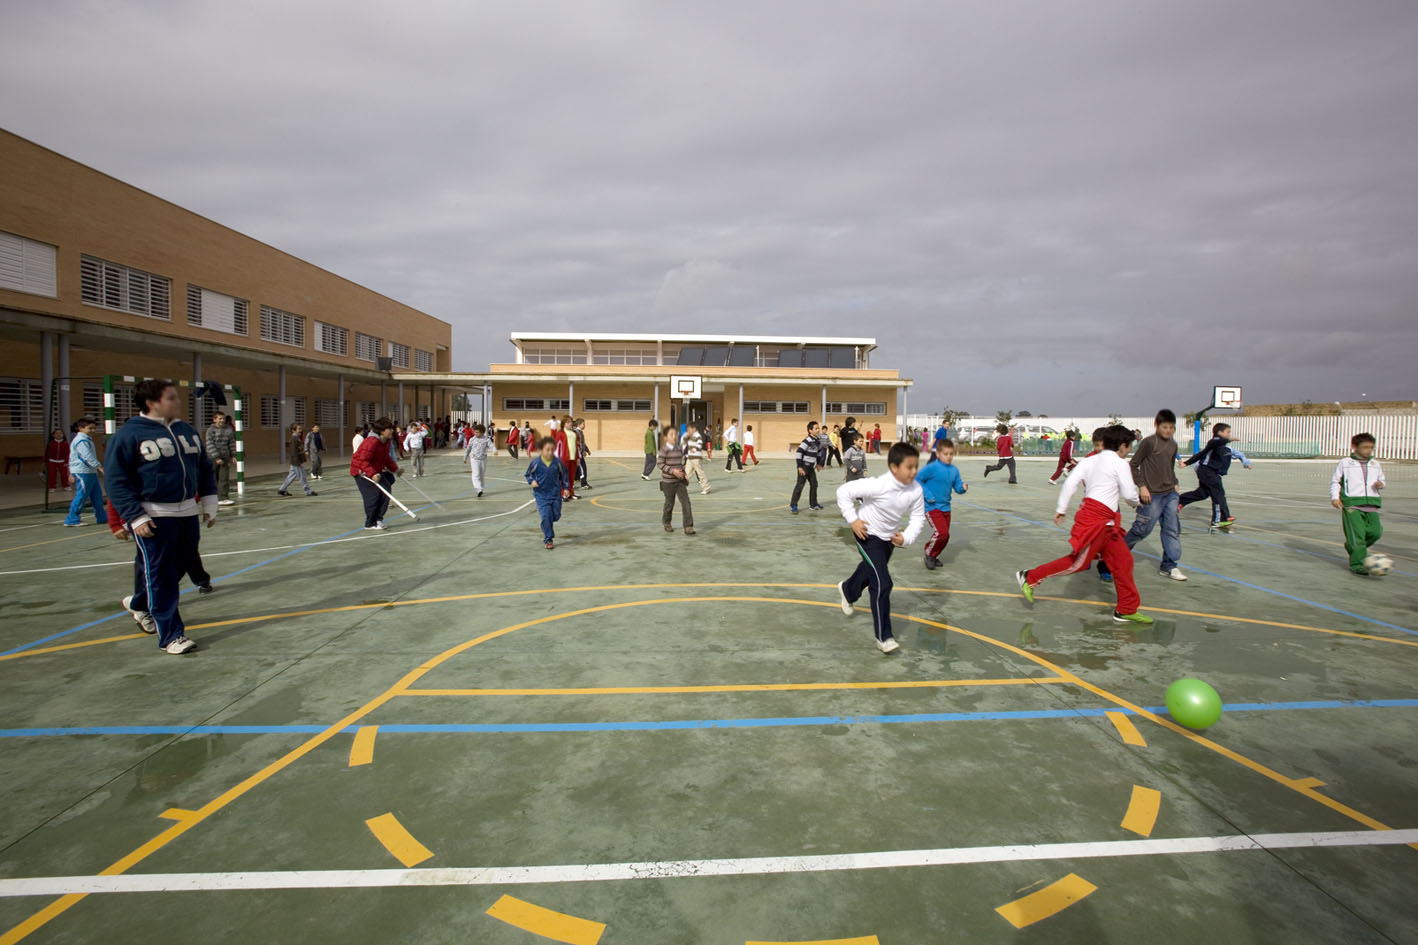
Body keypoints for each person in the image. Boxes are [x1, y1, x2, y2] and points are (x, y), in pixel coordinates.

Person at [105, 378, 217, 654]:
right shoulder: (129, 435)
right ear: (151, 403)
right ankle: (171, 635)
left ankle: (139, 603)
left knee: (184, 563)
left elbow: (203, 467)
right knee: (161, 573)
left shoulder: (186, 430)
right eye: (171, 398)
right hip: (153, 515)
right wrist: (135, 516)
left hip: (187, 512)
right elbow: (116, 480)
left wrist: (209, 500)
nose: (178, 402)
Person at [1015, 425, 1152, 626]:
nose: (1129, 450)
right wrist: (1137, 502)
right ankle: (1030, 576)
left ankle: (1126, 609)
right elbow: (1129, 493)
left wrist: (1062, 508)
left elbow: (1070, 483)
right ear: (1122, 445)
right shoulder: (1120, 463)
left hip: (1106, 523)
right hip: (1097, 521)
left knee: (1124, 562)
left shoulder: (1089, 460)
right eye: (1129, 446)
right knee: (1077, 563)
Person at [835, 440, 926, 654]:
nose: (914, 471)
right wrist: (853, 520)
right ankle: (884, 637)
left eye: (916, 466)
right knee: (882, 583)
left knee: (872, 571)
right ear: (894, 467)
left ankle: (848, 589)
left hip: (889, 539)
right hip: (866, 534)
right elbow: (843, 492)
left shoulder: (915, 490)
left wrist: (907, 537)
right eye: (909, 467)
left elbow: (918, 517)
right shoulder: (878, 485)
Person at [1124, 410, 1185, 581]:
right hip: (1152, 496)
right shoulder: (1149, 443)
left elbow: (1169, 467)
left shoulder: (1173, 445)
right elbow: (1133, 465)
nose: (1168, 431)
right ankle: (1114, 556)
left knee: (1172, 529)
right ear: (1156, 425)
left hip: (1170, 494)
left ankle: (1169, 566)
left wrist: (1175, 483)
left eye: (1171, 428)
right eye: (1165, 427)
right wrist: (1142, 487)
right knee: (1141, 530)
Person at [1331, 432, 1386, 575]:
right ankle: (1357, 565)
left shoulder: (1375, 464)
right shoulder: (1345, 463)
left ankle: (1353, 546)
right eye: (1365, 447)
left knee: (1376, 532)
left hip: (1372, 503)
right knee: (1357, 535)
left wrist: (1381, 484)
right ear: (1354, 447)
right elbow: (1336, 481)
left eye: (1371, 448)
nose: (1369, 451)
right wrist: (1335, 497)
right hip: (1352, 504)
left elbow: (1382, 480)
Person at [916, 438, 967, 570]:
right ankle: (929, 553)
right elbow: (917, 479)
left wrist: (962, 487)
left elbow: (957, 486)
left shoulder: (954, 470)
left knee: (945, 536)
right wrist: (928, 495)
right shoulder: (932, 467)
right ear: (938, 454)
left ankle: (933, 556)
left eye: (951, 454)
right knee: (941, 533)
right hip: (931, 507)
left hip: (946, 507)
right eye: (945, 454)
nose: (949, 456)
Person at [1178, 422, 1237, 530]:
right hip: (1207, 472)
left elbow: (1201, 454)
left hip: (1210, 472)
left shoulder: (1221, 445)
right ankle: (1218, 520)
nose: (1229, 434)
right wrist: (1229, 440)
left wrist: (1186, 463)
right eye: (1227, 432)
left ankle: (1179, 501)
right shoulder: (1215, 441)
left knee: (1202, 493)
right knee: (1217, 494)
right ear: (1220, 432)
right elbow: (1215, 443)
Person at [351, 418, 401, 530]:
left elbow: (386, 458)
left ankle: (378, 519)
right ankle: (370, 523)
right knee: (373, 496)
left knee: (386, 489)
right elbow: (363, 460)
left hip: (375, 470)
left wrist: (395, 469)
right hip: (361, 471)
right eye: (389, 429)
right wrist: (372, 473)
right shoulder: (371, 441)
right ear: (382, 431)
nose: (392, 431)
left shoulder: (386, 442)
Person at [526, 436, 569, 549]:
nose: (550, 452)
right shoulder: (536, 463)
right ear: (541, 450)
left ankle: (546, 524)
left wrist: (566, 488)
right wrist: (532, 481)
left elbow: (564, 475)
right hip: (541, 495)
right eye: (547, 450)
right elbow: (528, 474)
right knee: (546, 516)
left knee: (555, 516)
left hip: (555, 494)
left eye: (552, 450)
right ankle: (548, 539)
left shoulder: (558, 462)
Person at [63, 417, 108, 526]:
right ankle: (72, 519)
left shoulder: (87, 439)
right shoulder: (81, 440)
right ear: (81, 428)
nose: (93, 430)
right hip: (83, 471)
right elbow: (87, 456)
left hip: (90, 471)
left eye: (94, 428)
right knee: (82, 495)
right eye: (90, 428)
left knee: (97, 496)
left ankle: (102, 517)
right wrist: (100, 467)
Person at [656, 426, 694, 534]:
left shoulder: (679, 448)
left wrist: (684, 475)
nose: (674, 437)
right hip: (668, 482)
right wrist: (673, 471)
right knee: (669, 504)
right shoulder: (664, 450)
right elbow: (660, 464)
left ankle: (688, 526)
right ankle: (667, 523)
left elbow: (680, 464)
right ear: (665, 437)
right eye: (671, 434)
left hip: (679, 481)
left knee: (686, 502)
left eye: (676, 434)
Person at [790, 421, 825, 514]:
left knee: (814, 484)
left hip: (811, 468)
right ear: (810, 430)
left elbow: (819, 453)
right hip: (804, 467)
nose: (818, 430)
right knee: (800, 485)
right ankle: (794, 505)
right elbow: (798, 453)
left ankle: (813, 504)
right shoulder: (807, 441)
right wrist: (799, 467)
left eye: (818, 428)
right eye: (816, 428)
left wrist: (819, 464)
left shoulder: (818, 441)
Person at [277, 424, 317, 497]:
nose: (300, 430)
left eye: (300, 429)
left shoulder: (297, 438)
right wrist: (297, 461)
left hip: (296, 461)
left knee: (291, 476)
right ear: (293, 430)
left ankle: (282, 489)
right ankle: (308, 491)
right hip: (296, 462)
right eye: (298, 429)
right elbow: (293, 452)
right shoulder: (294, 439)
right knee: (302, 476)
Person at [463, 422, 492, 496]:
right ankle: (478, 489)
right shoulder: (472, 439)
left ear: (482, 432)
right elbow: (468, 449)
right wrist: (465, 457)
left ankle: (481, 488)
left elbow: (491, 445)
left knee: (481, 475)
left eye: (477, 432)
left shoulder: (486, 439)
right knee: (476, 474)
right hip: (474, 459)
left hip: (483, 459)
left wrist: (494, 450)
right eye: (475, 432)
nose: (475, 433)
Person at [682, 422, 711, 495]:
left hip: (696, 458)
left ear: (694, 429)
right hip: (689, 458)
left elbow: (700, 444)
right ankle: (683, 488)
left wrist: (694, 449)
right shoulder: (689, 435)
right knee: (686, 473)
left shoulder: (698, 436)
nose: (688, 430)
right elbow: (684, 442)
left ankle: (706, 488)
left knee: (700, 473)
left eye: (689, 429)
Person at [555, 415, 579, 499]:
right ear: (563, 424)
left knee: (571, 477)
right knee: (563, 478)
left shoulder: (574, 433)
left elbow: (577, 446)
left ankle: (571, 493)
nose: (570, 423)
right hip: (563, 459)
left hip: (573, 459)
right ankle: (562, 494)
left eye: (571, 422)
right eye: (568, 422)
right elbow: (556, 447)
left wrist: (578, 458)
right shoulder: (560, 434)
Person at [575, 417, 593, 490]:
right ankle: (584, 484)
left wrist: (587, 450)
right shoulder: (577, 432)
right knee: (583, 468)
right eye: (583, 424)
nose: (584, 425)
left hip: (579, 453)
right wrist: (581, 452)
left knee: (576, 469)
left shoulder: (580, 432)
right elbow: (579, 443)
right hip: (578, 454)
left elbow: (582, 443)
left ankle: (572, 483)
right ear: (579, 425)